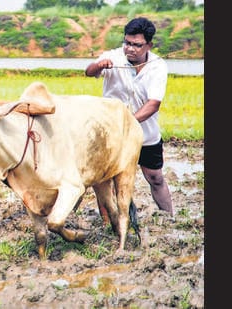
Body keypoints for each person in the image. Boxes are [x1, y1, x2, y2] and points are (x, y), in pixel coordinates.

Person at [84, 17, 173, 216]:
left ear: (149, 45)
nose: (130, 49)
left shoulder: (158, 66)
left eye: (137, 45)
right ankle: (109, 223)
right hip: (112, 133)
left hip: (145, 133)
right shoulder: (113, 57)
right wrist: (99, 66)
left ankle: (169, 217)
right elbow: (89, 72)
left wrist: (128, 122)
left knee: (155, 177)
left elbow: (154, 103)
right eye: (127, 43)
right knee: (105, 180)